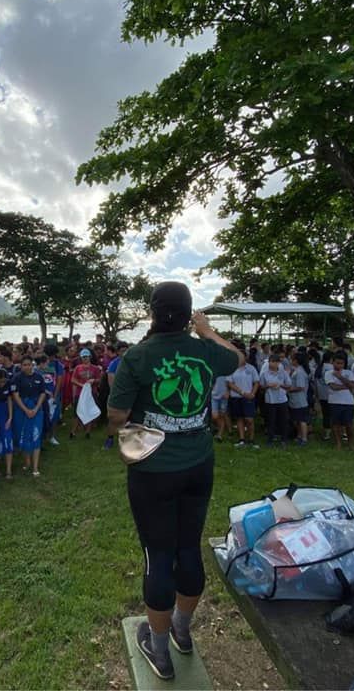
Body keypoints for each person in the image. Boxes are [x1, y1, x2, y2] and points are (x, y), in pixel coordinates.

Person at [106, 282, 242, 681]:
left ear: (152, 312)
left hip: (153, 471)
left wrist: (147, 418)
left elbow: (116, 417)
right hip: (198, 464)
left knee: (158, 555)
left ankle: (159, 649)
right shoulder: (203, 349)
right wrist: (208, 330)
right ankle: (182, 629)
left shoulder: (138, 356)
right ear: (189, 314)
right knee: (189, 547)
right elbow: (237, 357)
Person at [12, 356, 46, 476]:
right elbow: (15, 395)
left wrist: (36, 408)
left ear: (32, 365)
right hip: (22, 410)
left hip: (36, 409)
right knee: (24, 435)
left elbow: (42, 393)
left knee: (36, 436)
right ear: (21, 366)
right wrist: (26, 409)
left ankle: (35, 467)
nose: (27, 367)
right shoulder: (17, 378)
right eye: (24, 365)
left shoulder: (38, 377)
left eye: (29, 364)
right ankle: (27, 462)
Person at [324, 352, 354, 451]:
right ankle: (338, 443)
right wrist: (347, 386)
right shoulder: (328, 373)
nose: (339, 365)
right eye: (337, 363)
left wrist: (340, 377)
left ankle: (350, 443)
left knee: (349, 425)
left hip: (348, 402)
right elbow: (333, 387)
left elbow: (353, 385)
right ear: (332, 362)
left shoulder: (349, 373)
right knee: (336, 424)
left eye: (341, 363)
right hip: (334, 402)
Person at [227, 357, 260, 448]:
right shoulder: (232, 368)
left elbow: (256, 382)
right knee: (239, 418)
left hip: (249, 397)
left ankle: (251, 439)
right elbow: (230, 383)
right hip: (236, 397)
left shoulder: (251, 368)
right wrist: (242, 392)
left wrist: (252, 393)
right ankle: (242, 439)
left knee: (249, 419)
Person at [69, 349, 103, 438]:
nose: (85, 358)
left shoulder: (95, 368)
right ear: (81, 358)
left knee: (90, 411)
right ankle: (73, 432)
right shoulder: (78, 368)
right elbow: (73, 380)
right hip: (80, 394)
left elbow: (99, 380)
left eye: (86, 357)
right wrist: (81, 385)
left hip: (92, 393)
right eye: (83, 357)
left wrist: (94, 380)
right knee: (77, 412)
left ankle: (88, 432)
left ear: (90, 357)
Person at [259, 354, 289, 445]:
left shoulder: (283, 372)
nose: (273, 364)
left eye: (275, 362)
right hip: (270, 400)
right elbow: (261, 386)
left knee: (283, 420)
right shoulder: (265, 373)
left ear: (278, 363)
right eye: (271, 362)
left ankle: (284, 438)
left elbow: (289, 385)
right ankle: (270, 439)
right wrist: (267, 386)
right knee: (270, 420)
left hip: (282, 399)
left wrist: (280, 385)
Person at [287, 351, 310, 445]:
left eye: (292, 359)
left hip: (300, 400)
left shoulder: (300, 372)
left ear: (296, 361)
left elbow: (300, 387)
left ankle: (304, 438)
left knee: (302, 420)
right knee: (297, 420)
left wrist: (288, 389)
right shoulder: (296, 370)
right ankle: (299, 436)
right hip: (295, 400)